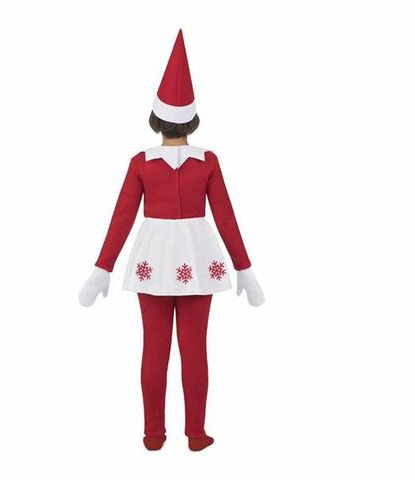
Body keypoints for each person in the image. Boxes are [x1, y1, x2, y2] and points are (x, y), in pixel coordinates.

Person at [79, 29, 264, 451]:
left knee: (154, 350)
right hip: (199, 262)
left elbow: (121, 218)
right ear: (192, 119)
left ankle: (153, 434)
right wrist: (245, 270)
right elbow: (227, 219)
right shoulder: (207, 162)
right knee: (195, 351)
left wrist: (102, 269)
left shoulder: (141, 163)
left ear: (156, 118)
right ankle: (195, 434)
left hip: (154, 262)